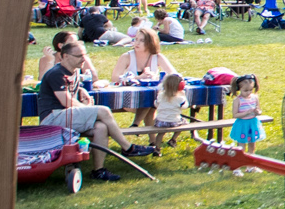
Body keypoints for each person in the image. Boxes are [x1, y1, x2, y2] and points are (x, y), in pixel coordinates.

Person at [34, 44, 138, 181]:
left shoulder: (75, 72)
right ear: (65, 56)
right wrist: (86, 107)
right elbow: (67, 102)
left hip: (67, 116)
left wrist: (82, 93)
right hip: (52, 119)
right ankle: (128, 147)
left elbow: (73, 96)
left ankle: (98, 170)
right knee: (104, 110)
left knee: (101, 127)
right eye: (79, 56)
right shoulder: (56, 73)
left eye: (84, 55)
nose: (83, 59)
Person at [149, 72, 187, 151]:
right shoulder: (180, 98)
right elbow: (185, 107)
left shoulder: (160, 95)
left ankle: (157, 149)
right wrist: (184, 96)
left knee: (160, 134)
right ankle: (173, 139)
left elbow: (156, 104)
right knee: (185, 123)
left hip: (160, 121)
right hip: (174, 121)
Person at [228, 75, 264, 152]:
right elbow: (235, 115)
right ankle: (241, 160)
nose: (249, 92)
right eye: (245, 90)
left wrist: (257, 112)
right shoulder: (237, 100)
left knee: (252, 144)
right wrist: (246, 113)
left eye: (251, 90)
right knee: (241, 145)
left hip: (253, 123)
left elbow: (259, 111)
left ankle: (251, 160)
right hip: (242, 124)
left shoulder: (255, 97)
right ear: (239, 88)